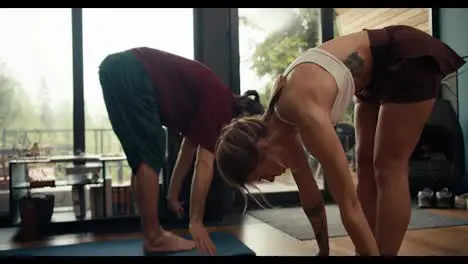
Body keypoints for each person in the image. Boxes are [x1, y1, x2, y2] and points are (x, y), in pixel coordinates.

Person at [214, 25, 466, 256]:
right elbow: (311, 198)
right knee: (365, 162)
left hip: (404, 57)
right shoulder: (282, 131)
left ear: (262, 147)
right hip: (372, 78)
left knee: (388, 165)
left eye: (260, 176)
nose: (268, 180)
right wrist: (323, 251)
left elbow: (349, 203)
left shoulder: (303, 112)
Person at [98, 47, 264, 255]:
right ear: (243, 117)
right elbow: (204, 164)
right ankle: (154, 236)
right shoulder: (222, 106)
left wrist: (172, 195)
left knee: (142, 157)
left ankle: (151, 233)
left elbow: (187, 151)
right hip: (132, 70)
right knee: (150, 151)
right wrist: (196, 222)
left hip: (116, 69)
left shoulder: (210, 105)